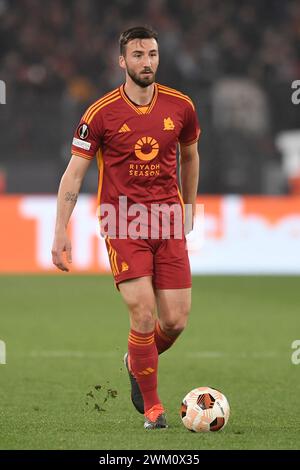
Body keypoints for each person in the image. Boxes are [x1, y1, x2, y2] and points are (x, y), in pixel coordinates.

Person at [52, 26, 200, 430]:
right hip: (123, 222)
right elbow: (74, 175)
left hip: (168, 220)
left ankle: (134, 360)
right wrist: (60, 230)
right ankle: (154, 410)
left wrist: (189, 205)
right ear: (123, 61)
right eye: (137, 55)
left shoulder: (181, 106)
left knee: (174, 321)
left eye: (151, 54)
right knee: (142, 311)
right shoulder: (100, 113)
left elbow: (190, 156)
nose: (146, 62)